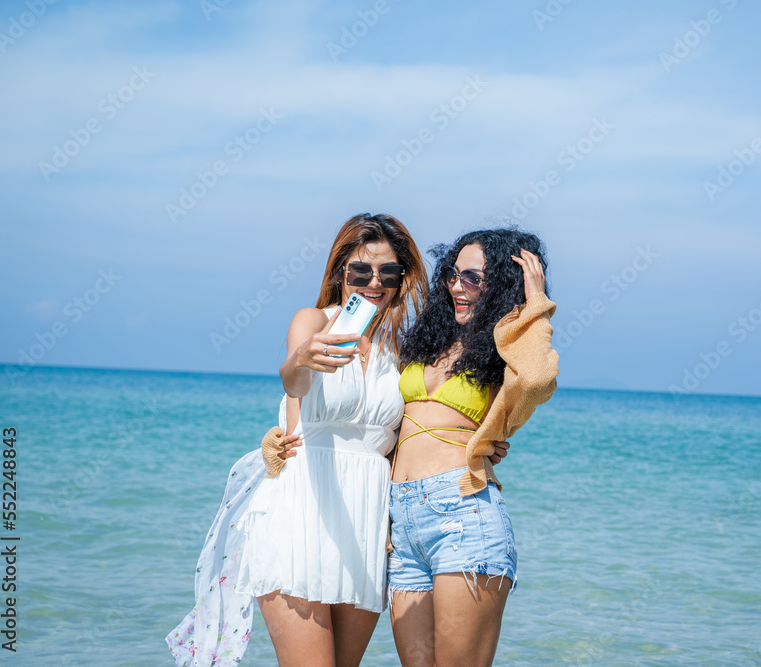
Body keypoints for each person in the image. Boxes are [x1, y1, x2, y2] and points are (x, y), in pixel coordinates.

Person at [278, 229, 559, 666]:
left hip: (463, 514)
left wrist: (535, 304)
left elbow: (540, 378)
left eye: (474, 278)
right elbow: (374, 424)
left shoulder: (503, 352)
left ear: (504, 284)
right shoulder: (426, 344)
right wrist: (283, 433)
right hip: (400, 527)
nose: (456, 286)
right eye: (452, 274)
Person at [166, 213, 429, 667]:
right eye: (360, 270)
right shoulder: (313, 322)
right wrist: (303, 358)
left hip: (365, 523)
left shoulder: (400, 351)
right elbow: (294, 382)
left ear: (401, 279)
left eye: (387, 272)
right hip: (300, 511)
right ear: (339, 272)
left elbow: (409, 432)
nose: (373, 282)